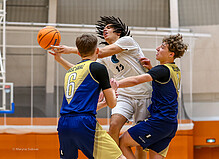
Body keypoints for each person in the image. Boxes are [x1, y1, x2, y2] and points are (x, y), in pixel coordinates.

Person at [52, 16, 152, 158]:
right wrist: (60, 60)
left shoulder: (127, 41)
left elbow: (100, 52)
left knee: (139, 140)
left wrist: (70, 49)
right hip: (123, 94)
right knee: (114, 125)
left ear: (118, 32)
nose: (105, 29)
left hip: (144, 93)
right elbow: (83, 70)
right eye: (104, 27)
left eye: (109, 27)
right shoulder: (102, 55)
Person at [113, 34, 188, 159]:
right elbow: (164, 82)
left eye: (163, 47)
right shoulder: (175, 70)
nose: (157, 48)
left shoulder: (162, 70)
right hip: (170, 124)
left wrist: (116, 84)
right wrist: (151, 68)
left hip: (159, 122)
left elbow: (137, 80)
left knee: (122, 142)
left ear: (171, 54)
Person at [56, 33, 125, 159]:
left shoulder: (71, 72)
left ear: (78, 53)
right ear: (97, 50)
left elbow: (77, 107)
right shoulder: (98, 68)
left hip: (64, 123)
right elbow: (113, 104)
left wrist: (102, 102)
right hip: (84, 123)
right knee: (119, 158)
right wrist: (113, 91)